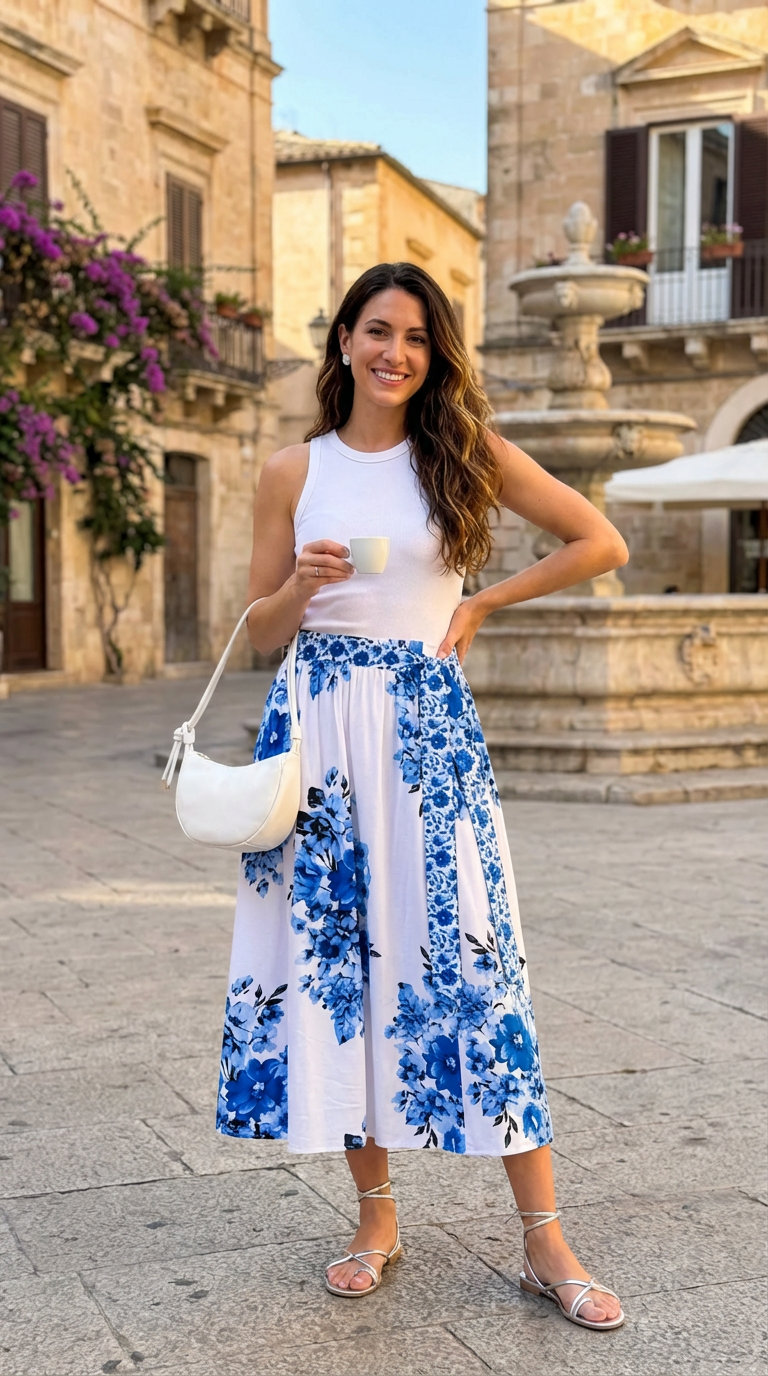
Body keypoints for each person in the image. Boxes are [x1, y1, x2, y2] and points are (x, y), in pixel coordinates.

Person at [216, 262, 628, 1331]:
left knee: (473, 965)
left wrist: (485, 599)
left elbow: (600, 540)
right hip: (317, 734)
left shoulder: (463, 452)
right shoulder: (286, 469)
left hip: (426, 736)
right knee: (343, 970)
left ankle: (544, 1238)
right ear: (344, 337)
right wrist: (299, 590)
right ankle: (376, 1216)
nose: (397, 351)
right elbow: (258, 636)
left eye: (418, 337)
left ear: (434, 354)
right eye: (379, 330)